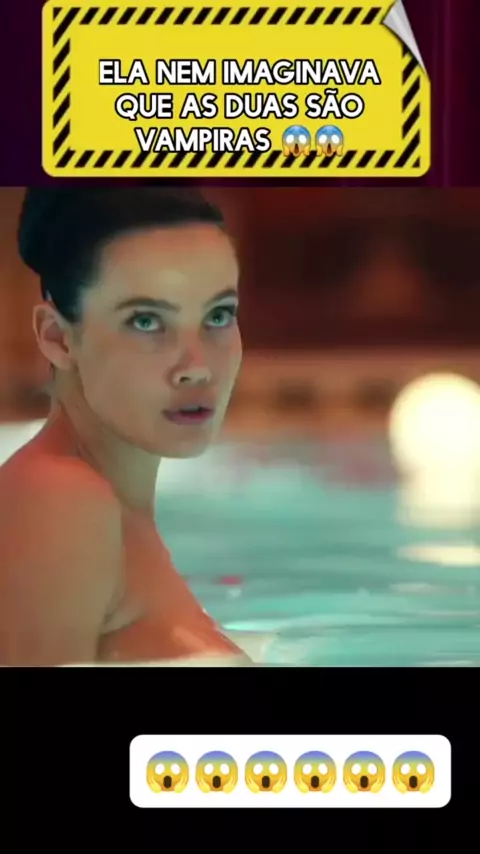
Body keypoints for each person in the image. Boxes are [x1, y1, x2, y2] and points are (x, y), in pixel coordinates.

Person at [0, 187, 252, 667]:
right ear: (58, 339)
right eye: (146, 322)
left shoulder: (111, 514)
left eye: (218, 315)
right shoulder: (60, 500)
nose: (196, 367)